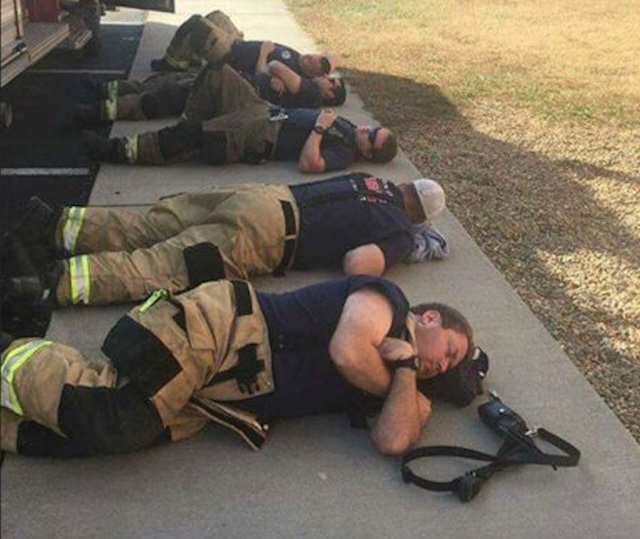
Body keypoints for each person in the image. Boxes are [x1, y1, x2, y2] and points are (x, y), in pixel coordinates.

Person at [0, 274, 475, 458]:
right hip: (219, 330)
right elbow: (347, 351)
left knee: (90, 440)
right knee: (116, 420)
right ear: (430, 318)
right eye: (449, 351)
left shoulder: (405, 378)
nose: (441, 366)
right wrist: (397, 379)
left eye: (447, 370)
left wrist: (408, 371)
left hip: (220, 394)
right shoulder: (387, 303)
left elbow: (393, 439)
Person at [2, 172, 447, 309]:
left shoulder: (371, 181)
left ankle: (52, 224)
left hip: (259, 196)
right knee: (163, 265)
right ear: (421, 218)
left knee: (154, 225)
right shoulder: (400, 229)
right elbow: (357, 265)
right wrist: (402, 250)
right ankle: (47, 285)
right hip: (266, 236)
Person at [80, 64, 395, 173]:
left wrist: (318, 129)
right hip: (262, 108)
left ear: (368, 153)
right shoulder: (352, 129)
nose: (368, 130)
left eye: (372, 137)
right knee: (217, 72)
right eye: (375, 129)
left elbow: (309, 165)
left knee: (191, 137)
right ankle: (110, 109)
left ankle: (114, 150)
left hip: (259, 136)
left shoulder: (344, 154)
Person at [73, 53, 346, 127]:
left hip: (235, 91)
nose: (326, 77)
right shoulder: (305, 86)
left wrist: (279, 74)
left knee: (170, 97)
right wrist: (276, 75)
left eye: (331, 80)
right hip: (240, 81)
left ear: (330, 94)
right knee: (167, 82)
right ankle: (104, 90)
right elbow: (271, 69)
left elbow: (274, 64)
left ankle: (99, 112)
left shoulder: (310, 92)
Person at [149, 9, 337, 78]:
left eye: (316, 63)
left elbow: (261, 75)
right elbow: (328, 62)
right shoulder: (299, 58)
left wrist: (263, 52)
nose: (312, 58)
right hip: (239, 44)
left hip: (230, 55)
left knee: (196, 24)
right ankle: (193, 56)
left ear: (315, 74)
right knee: (217, 16)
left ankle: (173, 63)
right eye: (317, 57)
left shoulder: (291, 72)